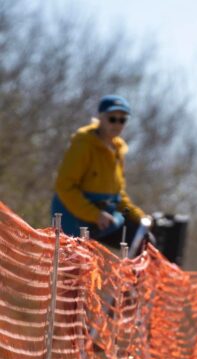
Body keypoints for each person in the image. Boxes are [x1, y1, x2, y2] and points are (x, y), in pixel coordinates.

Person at [51, 95, 150, 248]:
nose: (117, 124)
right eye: (112, 118)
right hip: (73, 220)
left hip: (104, 219)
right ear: (100, 118)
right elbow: (65, 187)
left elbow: (118, 196)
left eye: (122, 120)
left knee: (143, 241)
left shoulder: (118, 151)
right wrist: (95, 215)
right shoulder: (83, 145)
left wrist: (139, 216)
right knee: (74, 269)